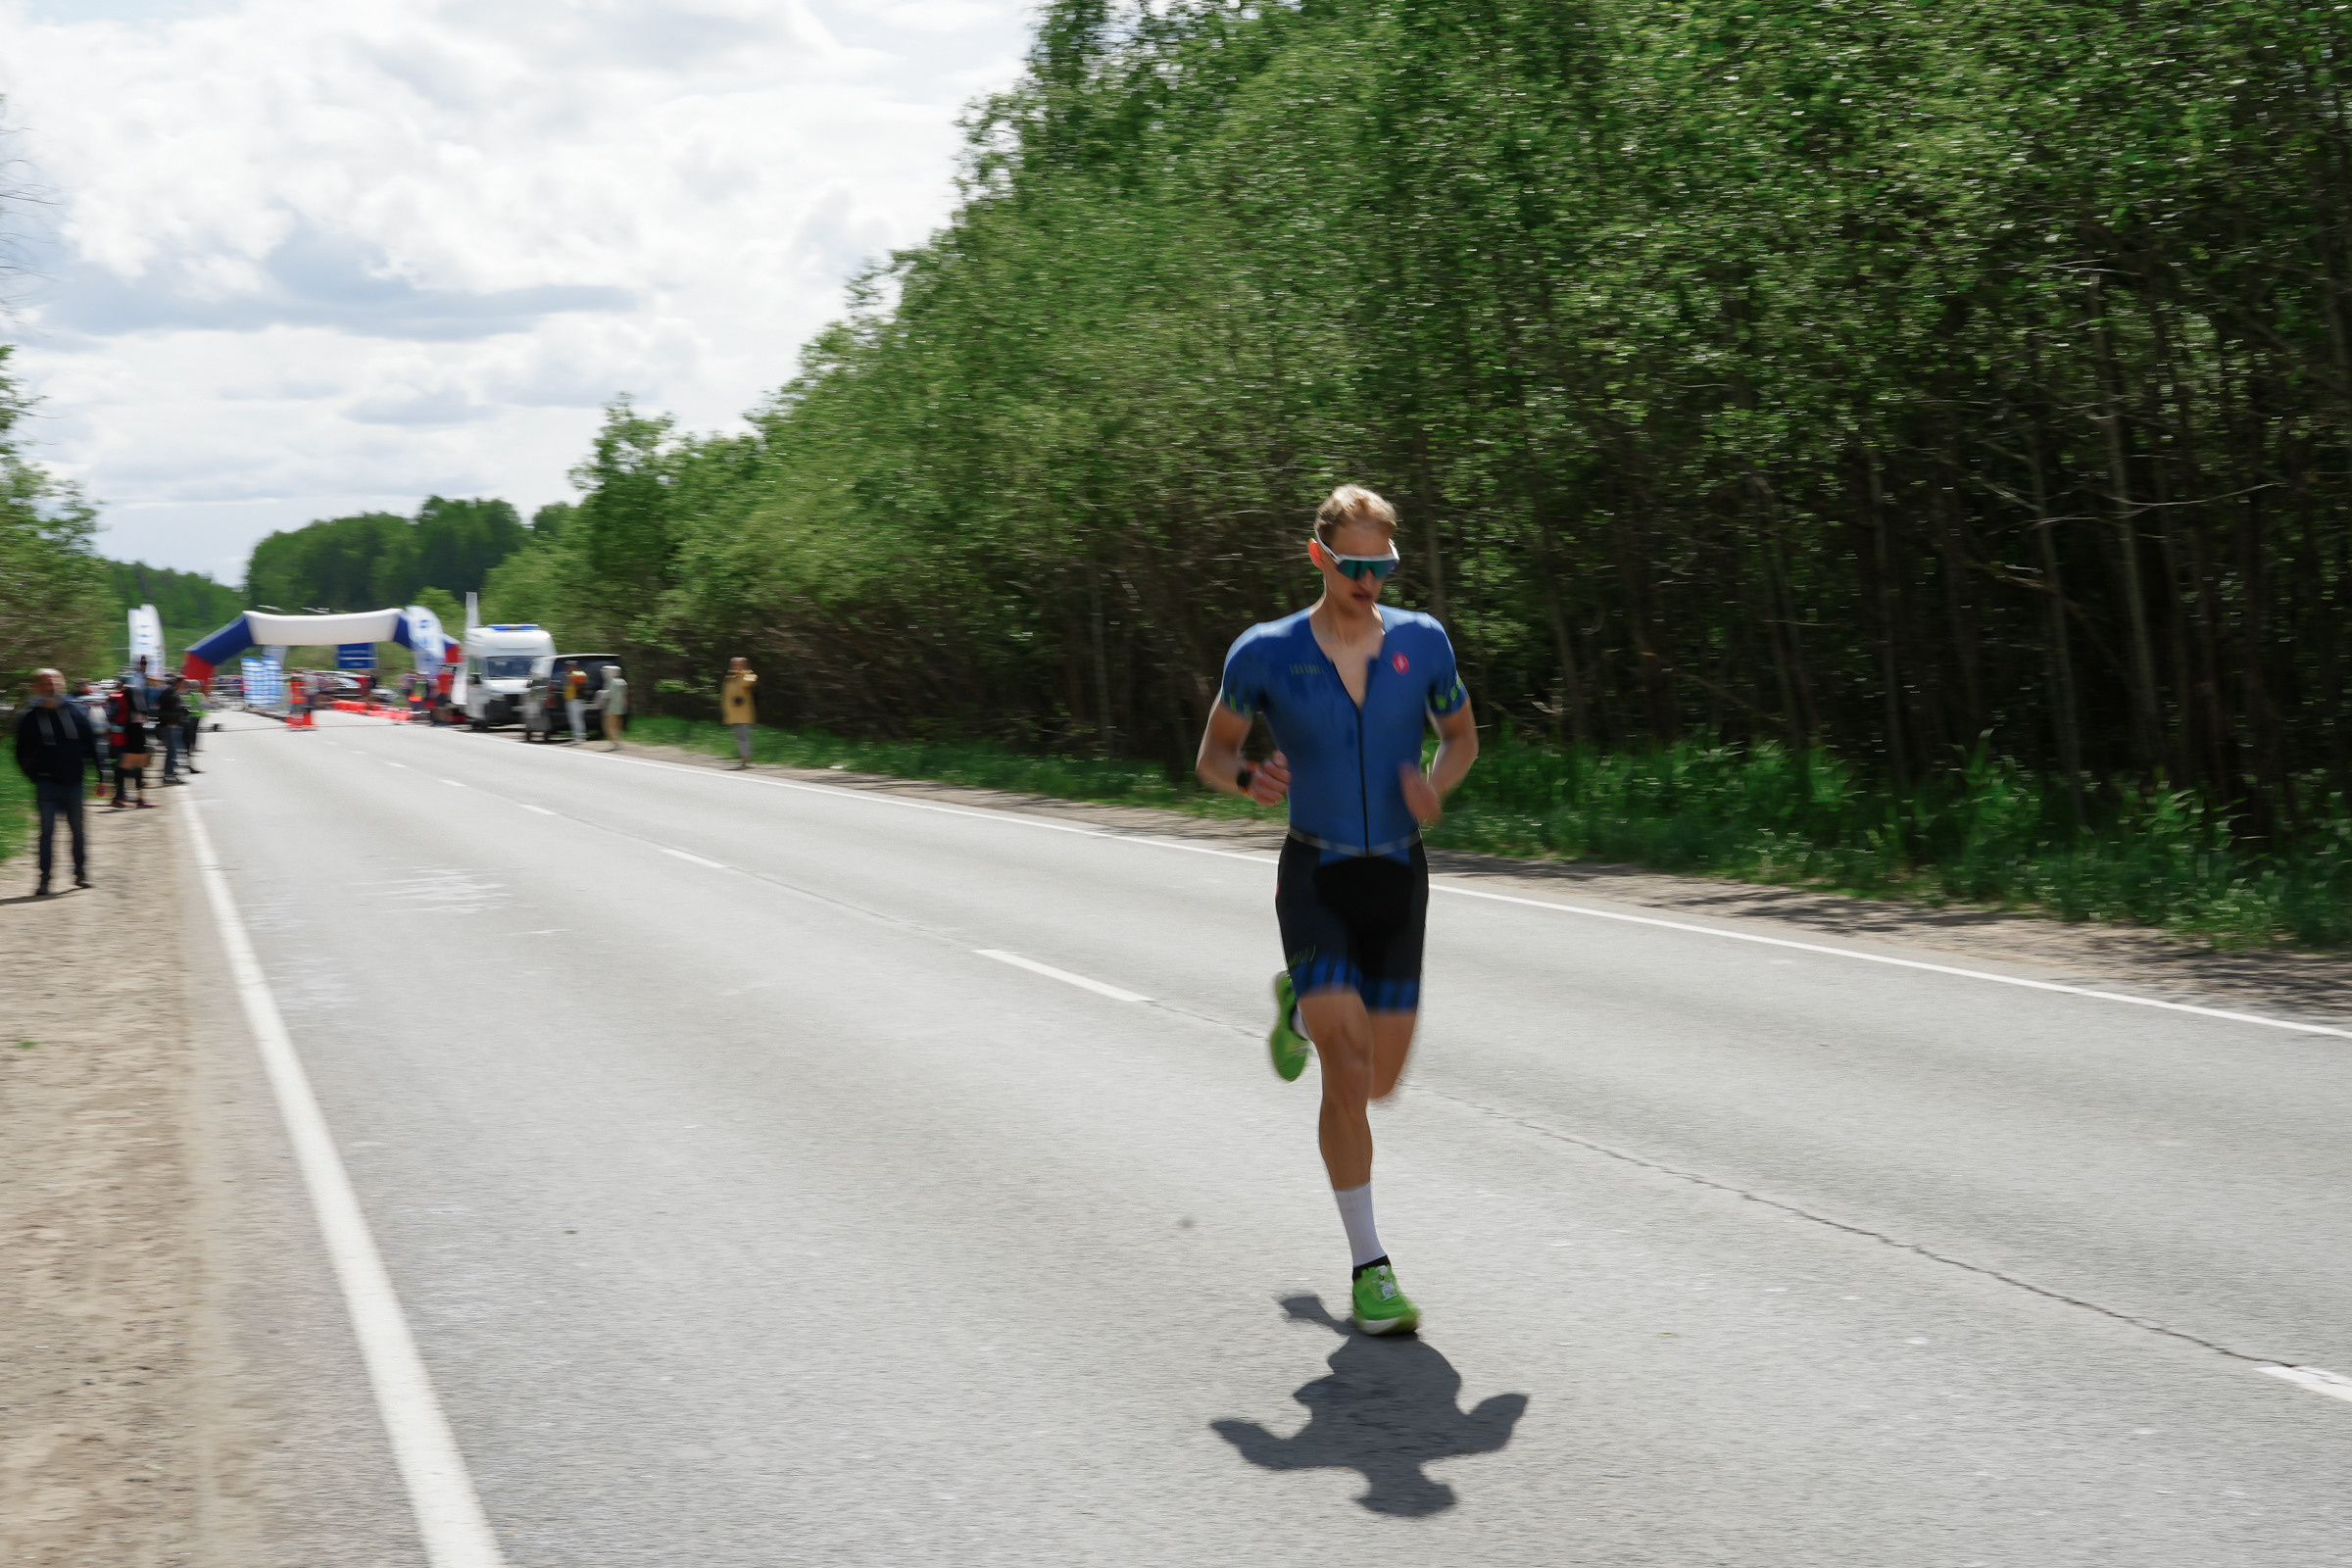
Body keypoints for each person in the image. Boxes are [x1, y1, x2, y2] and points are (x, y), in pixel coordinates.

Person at [1195, 484, 1479, 1336]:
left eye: (1382, 566)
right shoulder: (1266, 653)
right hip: (1314, 872)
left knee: (1383, 1081)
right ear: (1320, 558)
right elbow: (1213, 752)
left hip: (1398, 876)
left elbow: (1462, 736)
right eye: (1354, 566)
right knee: (1345, 1073)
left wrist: (1434, 789)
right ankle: (1370, 1267)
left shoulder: (1423, 643)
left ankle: (1298, 1001)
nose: (1369, 581)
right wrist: (1250, 780)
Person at [14, 669, 98, 895]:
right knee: (47, 833)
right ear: (36, 688)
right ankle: (44, 879)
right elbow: (21, 753)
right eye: (44, 684)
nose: (50, 687)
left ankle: (80, 872)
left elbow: (92, 744)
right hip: (47, 786)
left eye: (53, 682)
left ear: (61, 684)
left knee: (78, 831)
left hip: (74, 784)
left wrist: (102, 775)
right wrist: (36, 777)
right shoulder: (29, 719)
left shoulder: (78, 712)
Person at [106, 678, 156, 808]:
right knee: (136, 769)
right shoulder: (135, 694)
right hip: (133, 738)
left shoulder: (117, 698)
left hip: (119, 740)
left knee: (123, 769)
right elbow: (140, 718)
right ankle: (137, 799)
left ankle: (119, 797)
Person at [721, 657, 758, 768]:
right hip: (733, 714)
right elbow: (726, 696)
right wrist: (726, 711)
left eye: (741, 665)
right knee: (740, 737)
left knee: (744, 737)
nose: (738, 667)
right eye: (736, 665)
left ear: (745, 665)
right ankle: (744, 759)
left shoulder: (749, 676)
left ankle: (745, 760)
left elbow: (749, 682)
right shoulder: (729, 679)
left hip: (744, 714)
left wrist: (743, 673)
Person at [155, 675, 188, 784]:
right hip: (169, 726)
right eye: (184, 683)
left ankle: (170, 773)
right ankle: (169, 775)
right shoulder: (169, 693)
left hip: (172, 725)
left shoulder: (171, 692)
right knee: (171, 752)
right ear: (179, 683)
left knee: (173, 752)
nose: (185, 685)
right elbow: (169, 708)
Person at [598, 664, 629, 750]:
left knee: (608, 726)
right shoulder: (622, 681)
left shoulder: (611, 681)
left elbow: (610, 694)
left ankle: (616, 743)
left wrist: (601, 693)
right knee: (616, 726)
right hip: (620, 707)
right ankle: (617, 742)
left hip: (612, 707)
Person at [179, 677, 205, 772]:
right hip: (189, 720)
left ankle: (189, 766)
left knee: (187, 745)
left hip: (188, 720)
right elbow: (202, 705)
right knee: (187, 743)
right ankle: (188, 766)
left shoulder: (186, 694)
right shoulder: (193, 694)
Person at [564, 662, 590, 744]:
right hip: (571, 700)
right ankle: (576, 737)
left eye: (570, 666)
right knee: (573, 719)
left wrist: (572, 680)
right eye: (568, 666)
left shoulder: (579, 675)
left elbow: (579, 686)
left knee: (577, 719)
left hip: (577, 700)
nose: (568, 667)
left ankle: (580, 737)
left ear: (575, 666)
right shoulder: (571, 675)